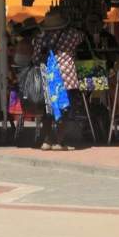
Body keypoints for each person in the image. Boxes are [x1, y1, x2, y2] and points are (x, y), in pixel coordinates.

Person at [32, 11, 86, 150]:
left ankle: (47, 140)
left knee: (48, 109)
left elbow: (36, 58)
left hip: (48, 76)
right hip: (66, 76)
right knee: (66, 108)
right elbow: (83, 37)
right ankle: (59, 141)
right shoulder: (72, 34)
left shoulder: (40, 37)